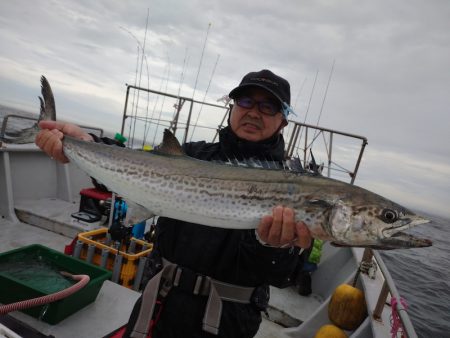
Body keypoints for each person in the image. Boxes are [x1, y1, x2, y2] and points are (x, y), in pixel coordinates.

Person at [35, 69, 312, 338]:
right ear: (232, 107)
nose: (253, 111)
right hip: (159, 302)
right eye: (245, 101)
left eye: (268, 106)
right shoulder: (189, 154)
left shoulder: (294, 186)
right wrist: (85, 142)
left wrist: (272, 247)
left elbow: (284, 276)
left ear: (283, 120)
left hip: (227, 322)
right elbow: (129, 165)